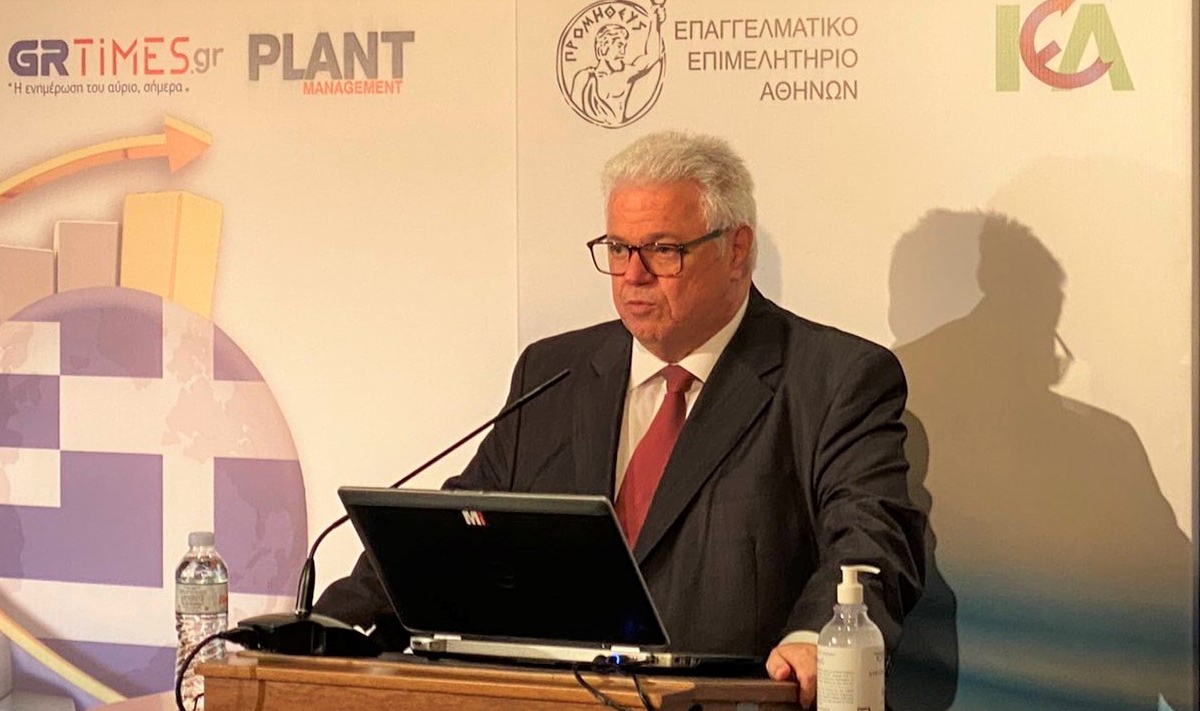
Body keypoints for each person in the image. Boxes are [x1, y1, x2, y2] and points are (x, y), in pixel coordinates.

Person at [316, 131, 926, 709]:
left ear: (736, 249)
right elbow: (462, 526)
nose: (633, 275)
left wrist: (819, 637)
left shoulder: (833, 379)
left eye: (663, 250)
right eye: (617, 249)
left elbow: (871, 535)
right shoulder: (554, 372)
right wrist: (325, 627)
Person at [569, 2, 666, 127]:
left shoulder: (625, 74)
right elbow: (572, 117)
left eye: (624, 46)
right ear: (604, 48)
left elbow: (653, 55)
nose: (623, 51)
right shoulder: (584, 77)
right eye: (619, 45)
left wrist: (655, 22)